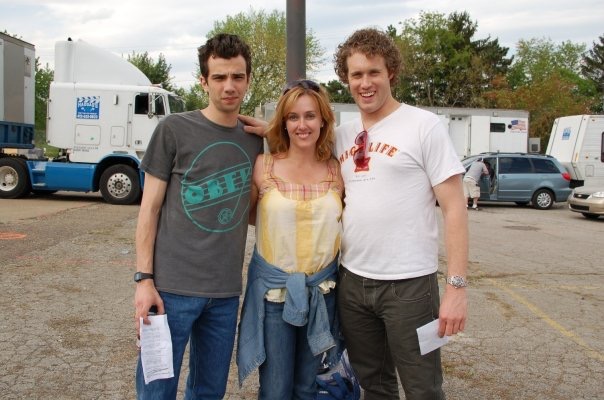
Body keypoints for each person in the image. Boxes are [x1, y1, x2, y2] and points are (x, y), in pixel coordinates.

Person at [332, 28, 469, 399]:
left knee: (423, 388)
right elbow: (297, 137)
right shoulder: (341, 135)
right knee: (374, 385)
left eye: (373, 72)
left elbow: (455, 208)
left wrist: (456, 288)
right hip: (353, 283)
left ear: (390, 71)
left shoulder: (424, 126)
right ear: (346, 78)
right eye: (356, 74)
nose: (365, 83)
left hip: (410, 288)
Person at [133, 33, 263, 399]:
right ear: (204, 81)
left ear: (248, 80)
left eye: (237, 77)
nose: (229, 86)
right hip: (169, 292)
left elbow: (251, 210)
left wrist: (277, 133)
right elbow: (150, 209)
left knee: (209, 392)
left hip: (224, 293)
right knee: (156, 391)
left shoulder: (255, 139)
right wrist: (144, 281)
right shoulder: (174, 130)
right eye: (219, 77)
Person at [236, 80, 344, 399]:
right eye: (293, 117)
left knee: (307, 386)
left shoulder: (337, 169)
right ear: (282, 122)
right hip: (274, 295)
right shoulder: (263, 166)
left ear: (323, 120)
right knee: (275, 388)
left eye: (310, 116)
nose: (302, 125)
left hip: (322, 293)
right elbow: (251, 216)